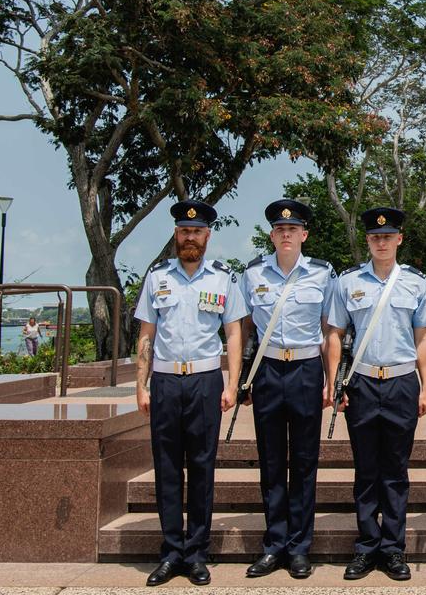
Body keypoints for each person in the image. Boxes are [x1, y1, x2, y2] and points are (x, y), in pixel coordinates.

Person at [134, 200, 246, 587]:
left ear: (207, 236)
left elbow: (233, 332)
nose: (190, 238)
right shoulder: (157, 278)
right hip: (165, 382)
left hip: (204, 381)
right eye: (184, 231)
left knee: (201, 467)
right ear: (176, 235)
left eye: (196, 232)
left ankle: (196, 552)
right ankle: (170, 552)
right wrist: (141, 383)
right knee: (166, 468)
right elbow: (146, 334)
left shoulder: (222, 278)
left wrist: (232, 383)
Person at [327, 207, 426, 581]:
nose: (382, 242)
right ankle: (366, 546)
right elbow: (335, 335)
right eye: (375, 237)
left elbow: (424, 336)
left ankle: (393, 549)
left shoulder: (416, 282)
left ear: (399, 240)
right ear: (368, 241)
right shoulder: (347, 282)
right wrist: (333, 382)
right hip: (363, 383)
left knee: (396, 471)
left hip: (402, 382)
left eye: (388, 237)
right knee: (366, 470)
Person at [239, 199, 335, 580]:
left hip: (306, 370)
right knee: (272, 461)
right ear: (272, 234)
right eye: (279, 230)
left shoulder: (323, 274)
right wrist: (242, 376)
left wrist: (330, 380)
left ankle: (299, 547)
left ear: (304, 234)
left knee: (306, 462)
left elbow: (331, 331)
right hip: (268, 370)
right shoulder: (252, 274)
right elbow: (243, 329)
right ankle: (274, 544)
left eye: (292, 230)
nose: (285, 235)